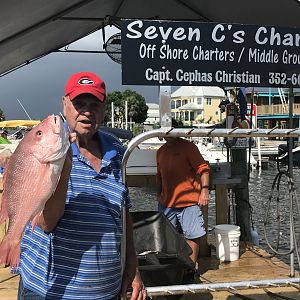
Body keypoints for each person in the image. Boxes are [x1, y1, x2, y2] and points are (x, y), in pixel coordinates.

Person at [17, 72, 146, 299]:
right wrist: (63, 168)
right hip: (48, 290)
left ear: (104, 108)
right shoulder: (46, 147)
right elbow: (46, 223)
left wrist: (133, 267)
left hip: (106, 291)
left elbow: (123, 214)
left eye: (95, 104)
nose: (87, 111)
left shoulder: (117, 151)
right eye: (79, 103)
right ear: (65, 104)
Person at [156, 119, 210, 282]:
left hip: (189, 203)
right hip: (167, 203)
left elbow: (204, 169)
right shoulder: (160, 151)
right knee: (167, 238)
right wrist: (159, 195)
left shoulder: (189, 147)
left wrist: (205, 190)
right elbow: (159, 176)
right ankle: (175, 268)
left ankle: (190, 270)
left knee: (192, 236)